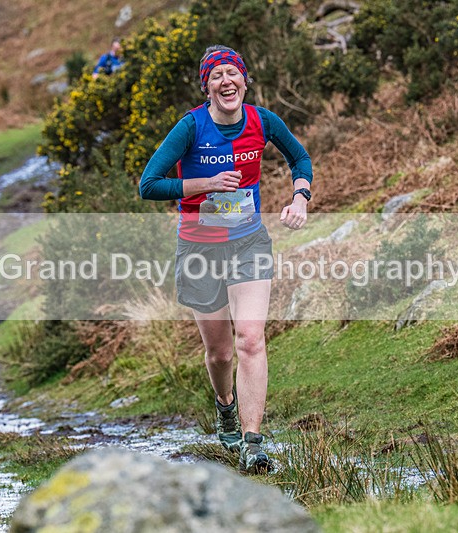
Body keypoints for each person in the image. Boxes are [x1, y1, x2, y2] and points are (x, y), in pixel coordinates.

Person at [139, 45, 313, 473]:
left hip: (247, 242)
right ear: (208, 88)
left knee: (250, 339)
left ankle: (253, 442)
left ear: (244, 80)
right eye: (215, 76)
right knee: (219, 354)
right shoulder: (190, 127)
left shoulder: (262, 121)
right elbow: (149, 184)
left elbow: (299, 157)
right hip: (199, 248)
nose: (225, 81)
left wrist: (300, 198)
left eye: (231, 72)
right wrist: (207, 183)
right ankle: (225, 405)